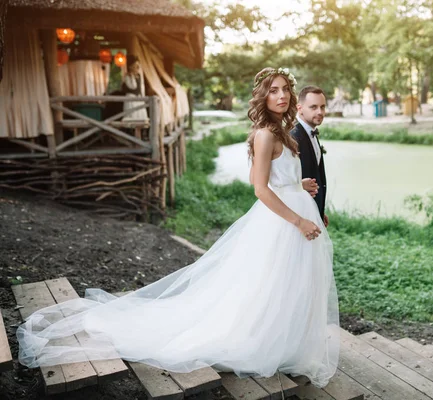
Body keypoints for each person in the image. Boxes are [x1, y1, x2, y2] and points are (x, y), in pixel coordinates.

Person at [17, 67, 340, 389]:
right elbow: (259, 188)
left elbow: (276, 180)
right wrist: (297, 219)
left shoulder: (282, 132)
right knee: (270, 284)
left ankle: (287, 341)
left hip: (294, 208)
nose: (281, 95)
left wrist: (297, 185)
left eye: (285, 89)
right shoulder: (265, 134)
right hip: (283, 222)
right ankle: (263, 341)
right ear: (262, 96)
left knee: (288, 284)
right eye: (273, 90)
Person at [291, 86, 329, 227]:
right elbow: (284, 181)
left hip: (313, 212)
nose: (320, 112)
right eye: (313, 107)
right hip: (300, 216)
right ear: (299, 108)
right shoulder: (293, 137)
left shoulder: (311, 132)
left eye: (322, 107)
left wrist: (319, 211)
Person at [121, 55, 148, 121]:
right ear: (131, 67)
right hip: (131, 99)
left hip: (138, 98)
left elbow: (141, 87)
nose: (137, 68)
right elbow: (133, 86)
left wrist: (142, 97)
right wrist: (132, 76)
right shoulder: (127, 77)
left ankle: (139, 130)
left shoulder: (139, 76)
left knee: (140, 117)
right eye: (135, 66)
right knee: (132, 117)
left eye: (138, 66)